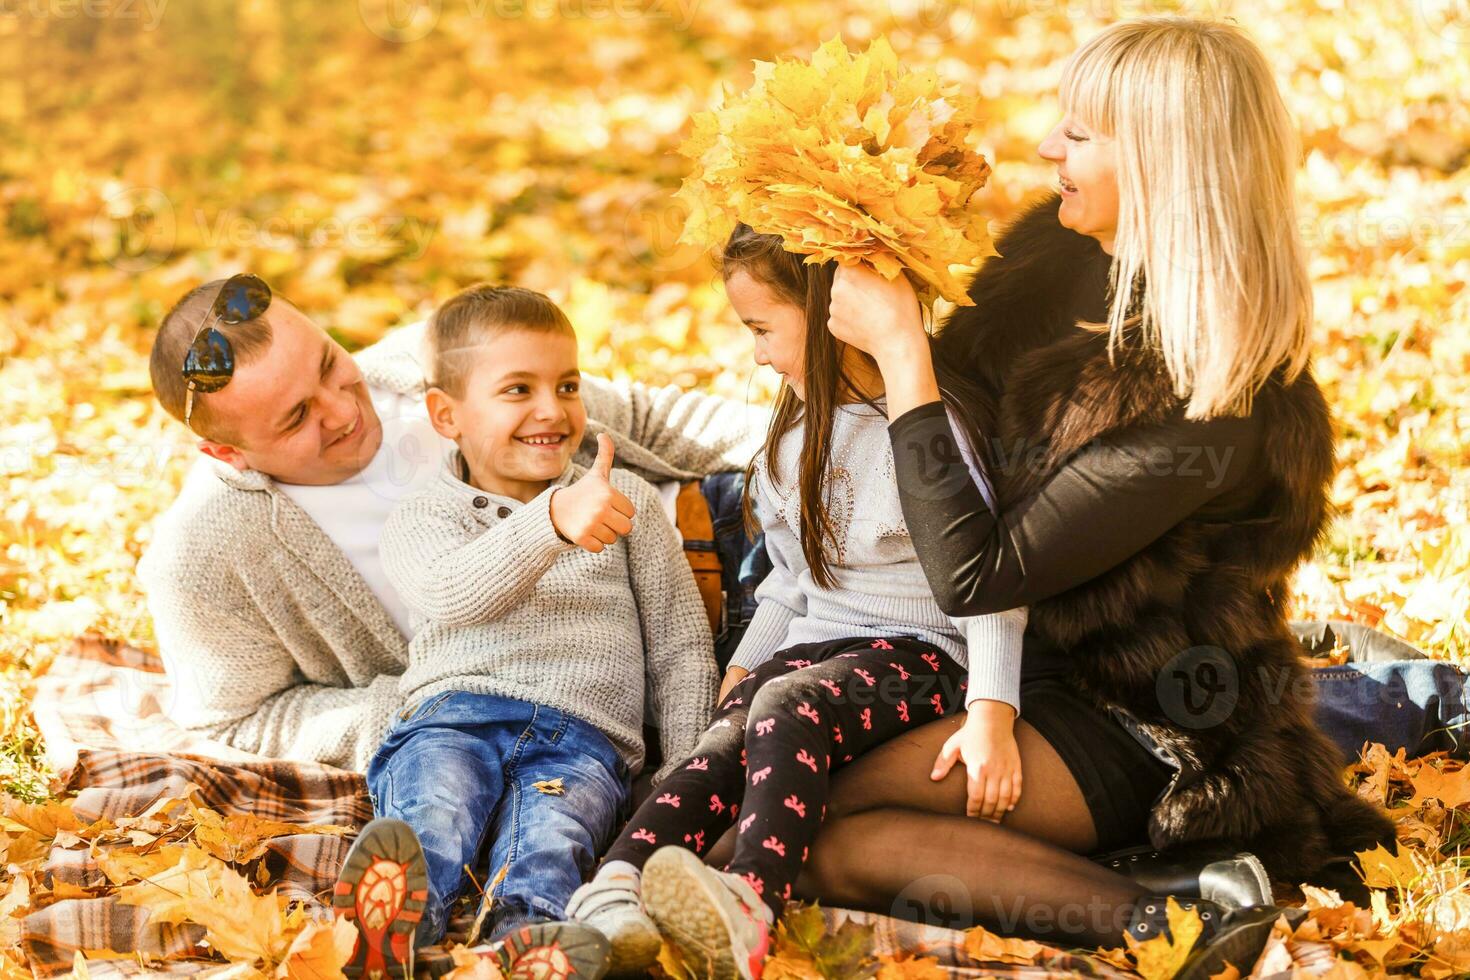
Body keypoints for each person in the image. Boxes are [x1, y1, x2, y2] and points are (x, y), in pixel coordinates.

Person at [800, 17, 1396, 976]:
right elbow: (943, 440)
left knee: (822, 825)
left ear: (1162, 159)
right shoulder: (1059, 255)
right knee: (779, 781)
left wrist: (903, 349)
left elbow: (979, 571)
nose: (1046, 150)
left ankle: (1170, 911)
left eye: (1079, 135)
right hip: (1002, 667)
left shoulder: (1210, 403)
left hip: (1146, 722)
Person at [564, 225, 1029, 978]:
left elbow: (990, 591)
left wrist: (992, 711)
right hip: (815, 648)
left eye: (760, 329)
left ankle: (750, 906)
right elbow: (789, 577)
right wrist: (743, 662)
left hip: (918, 655)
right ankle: (614, 890)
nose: (755, 354)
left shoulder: (928, 431)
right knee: (719, 745)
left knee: (783, 705)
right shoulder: (794, 434)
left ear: (833, 317)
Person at [139, 275, 766, 774]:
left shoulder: (427, 363)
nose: (342, 409)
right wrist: (429, 712)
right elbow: (233, 721)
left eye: (331, 364)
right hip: (674, 670)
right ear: (228, 454)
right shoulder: (203, 553)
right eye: (297, 416)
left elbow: (644, 419)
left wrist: (813, 440)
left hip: (725, 519)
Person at [330, 285, 718, 979]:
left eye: (567, 385)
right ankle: (388, 926)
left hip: (584, 737)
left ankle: (527, 943)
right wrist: (550, 523)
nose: (553, 409)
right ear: (447, 416)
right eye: (518, 389)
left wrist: (681, 771)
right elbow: (451, 593)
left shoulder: (626, 506)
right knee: (435, 810)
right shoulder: (426, 511)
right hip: (456, 716)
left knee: (550, 843)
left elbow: (682, 647)